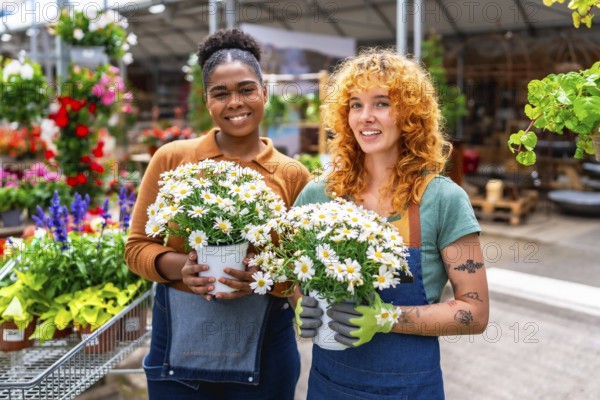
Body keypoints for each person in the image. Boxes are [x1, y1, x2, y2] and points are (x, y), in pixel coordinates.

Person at [125, 28, 310, 399]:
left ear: (264, 92)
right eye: (220, 93)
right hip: (178, 341)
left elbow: (303, 266)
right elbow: (136, 248)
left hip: (266, 346)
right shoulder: (173, 159)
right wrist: (182, 268)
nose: (235, 103)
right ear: (206, 100)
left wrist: (262, 276)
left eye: (246, 89)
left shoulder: (293, 175)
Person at [293, 49, 489, 399]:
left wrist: (386, 317)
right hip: (330, 385)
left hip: (409, 390)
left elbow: (473, 312)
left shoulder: (443, 200)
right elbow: (290, 276)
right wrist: (298, 301)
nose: (365, 117)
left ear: (410, 114)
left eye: (381, 103)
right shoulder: (318, 196)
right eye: (355, 104)